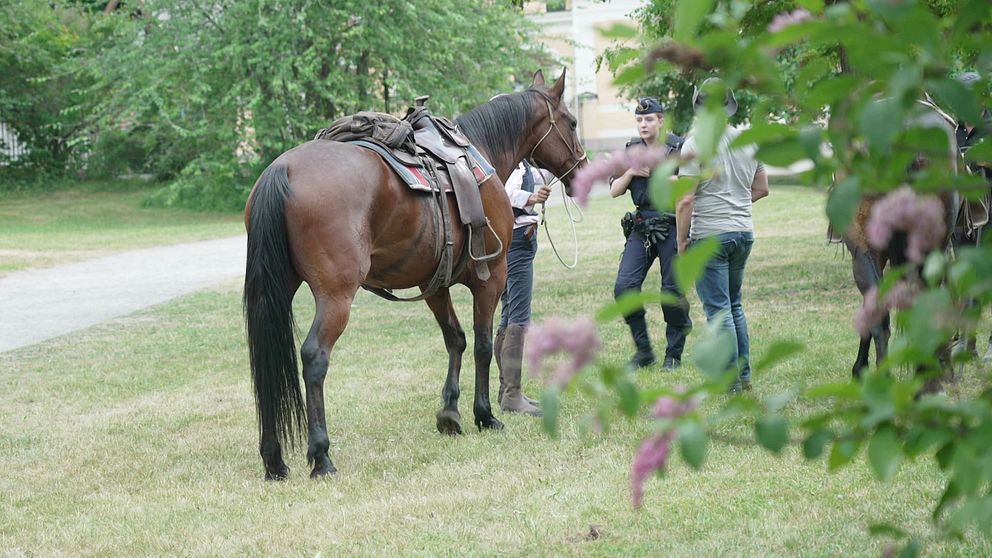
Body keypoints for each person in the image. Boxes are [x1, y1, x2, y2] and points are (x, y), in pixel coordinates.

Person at [676, 78, 769, 393]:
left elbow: (685, 200)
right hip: (743, 232)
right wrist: (735, 205)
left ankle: (730, 381)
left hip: (710, 235)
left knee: (718, 310)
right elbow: (762, 189)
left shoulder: (694, 144)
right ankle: (743, 376)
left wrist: (681, 242)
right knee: (735, 305)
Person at [609, 96, 691, 370]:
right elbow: (614, 190)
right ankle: (644, 351)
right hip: (642, 225)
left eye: (648, 119)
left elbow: (694, 186)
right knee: (624, 288)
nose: (643, 124)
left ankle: (673, 354)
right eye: (639, 119)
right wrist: (631, 172)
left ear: (661, 120)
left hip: (671, 223)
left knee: (672, 292)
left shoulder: (678, 148)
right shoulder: (631, 150)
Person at [494, 160, 551, 415]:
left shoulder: (523, 163)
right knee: (517, 318)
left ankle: (506, 389)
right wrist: (531, 196)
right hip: (518, 241)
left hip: (514, 241)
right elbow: (504, 191)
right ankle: (511, 394)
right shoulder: (514, 164)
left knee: (508, 316)